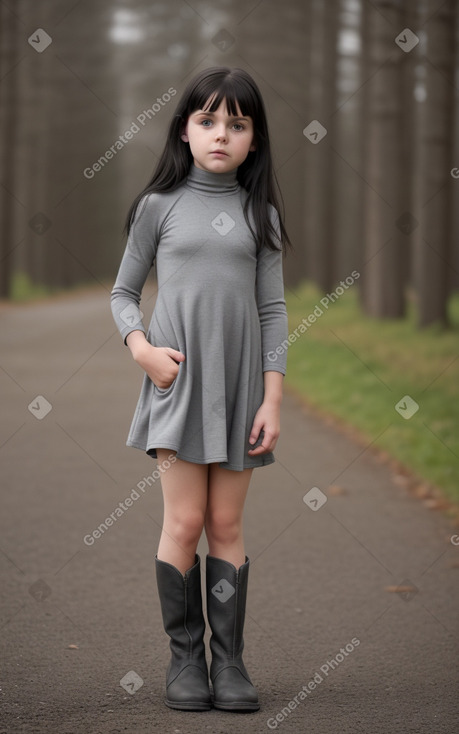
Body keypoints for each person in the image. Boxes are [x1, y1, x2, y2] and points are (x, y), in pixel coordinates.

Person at [110, 66, 292, 713]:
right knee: (184, 521)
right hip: (176, 385)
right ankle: (185, 659)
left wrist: (271, 397)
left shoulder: (257, 213)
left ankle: (231, 661)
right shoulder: (157, 207)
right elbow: (123, 293)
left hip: (241, 390)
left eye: (236, 124)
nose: (221, 134)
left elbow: (271, 312)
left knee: (225, 522)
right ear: (184, 131)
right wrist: (143, 352)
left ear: (252, 139)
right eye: (208, 120)